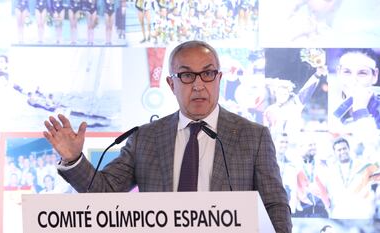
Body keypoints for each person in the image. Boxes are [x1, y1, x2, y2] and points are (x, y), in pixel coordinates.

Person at [43, 40, 292, 233]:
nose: (198, 85)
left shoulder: (253, 136)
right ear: (171, 84)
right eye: (186, 75)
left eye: (207, 74)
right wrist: (74, 159)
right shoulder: (146, 138)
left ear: (219, 79)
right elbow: (104, 195)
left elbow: (275, 206)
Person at [325, 136, 378, 219]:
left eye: (344, 148)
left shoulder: (363, 166)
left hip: (361, 212)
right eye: (339, 150)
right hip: (340, 213)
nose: (342, 152)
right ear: (334, 152)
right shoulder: (330, 171)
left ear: (349, 149)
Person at [332, 48, 380, 131]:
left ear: (375, 75)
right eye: (347, 72)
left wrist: (360, 109)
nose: (353, 81)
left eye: (362, 73)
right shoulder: (333, 104)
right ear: (338, 73)